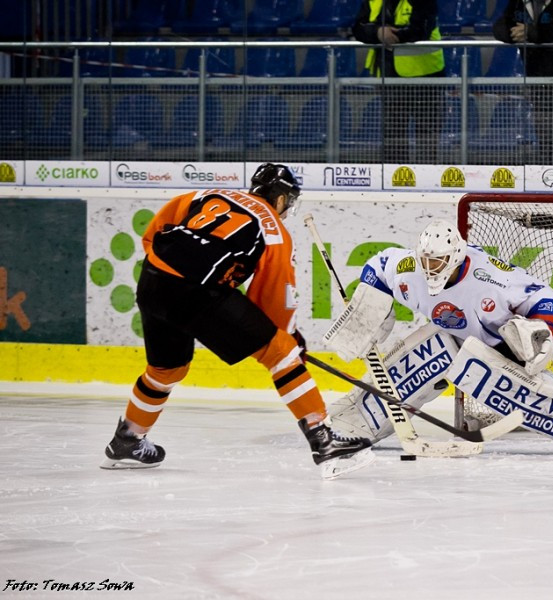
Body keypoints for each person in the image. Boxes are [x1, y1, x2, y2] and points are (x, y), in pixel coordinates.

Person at [100, 164, 374, 480]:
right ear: (282, 199)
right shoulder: (273, 228)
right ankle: (323, 440)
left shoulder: (209, 193)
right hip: (195, 290)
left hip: (152, 280)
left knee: (167, 369)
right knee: (281, 353)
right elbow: (272, 296)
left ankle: (127, 440)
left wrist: (175, 271)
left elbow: (156, 230)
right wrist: (287, 337)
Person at [322, 220, 553, 456]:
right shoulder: (409, 270)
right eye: (424, 260)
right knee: (433, 350)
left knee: (506, 385)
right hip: (450, 338)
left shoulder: (490, 277)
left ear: (454, 258)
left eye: (436, 262)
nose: (428, 268)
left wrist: (542, 332)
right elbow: (379, 264)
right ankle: (353, 422)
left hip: (499, 349)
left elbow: (544, 297)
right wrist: (368, 308)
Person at [492, 0, 553, 166]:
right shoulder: (519, 3)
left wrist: (532, 32)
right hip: (538, 79)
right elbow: (501, 24)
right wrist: (513, 33)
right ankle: (549, 181)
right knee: (546, 139)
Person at [351, 0, 445, 163]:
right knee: (393, 134)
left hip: (425, 76)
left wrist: (391, 36)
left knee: (427, 133)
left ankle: (428, 179)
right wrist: (378, 32)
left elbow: (420, 30)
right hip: (388, 75)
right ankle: (394, 179)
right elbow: (358, 28)